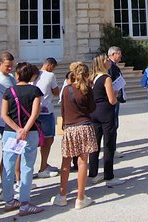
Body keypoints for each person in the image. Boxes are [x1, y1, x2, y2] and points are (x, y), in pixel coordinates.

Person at [0, 62, 45, 216]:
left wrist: (17, 129)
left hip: (11, 133)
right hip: (29, 132)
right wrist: (24, 129)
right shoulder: (35, 91)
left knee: (8, 166)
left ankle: (9, 200)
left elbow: (4, 115)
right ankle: (25, 203)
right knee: (27, 166)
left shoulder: (8, 91)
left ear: (17, 75)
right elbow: (35, 113)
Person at [52, 62, 99, 209]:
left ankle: (62, 195)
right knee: (82, 162)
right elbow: (92, 108)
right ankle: (80, 197)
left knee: (65, 162)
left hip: (70, 127)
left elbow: (63, 110)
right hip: (84, 125)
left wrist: (64, 126)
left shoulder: (66, 89)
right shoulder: (87, 90)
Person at [89, 49, 123, 185]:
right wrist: (116, 95)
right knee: (109, 143)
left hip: (94, 111)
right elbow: (112, 100)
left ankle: (93, 173)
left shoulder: (92, 77)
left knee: (95, 144)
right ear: (103, 62)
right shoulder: (106, 78)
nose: (109, 61)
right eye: (107, 60)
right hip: (105, 111)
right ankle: (109, 176)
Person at [33, 58, 61, 178]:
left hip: (33, 112)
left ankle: (43, 165)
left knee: (34, 140)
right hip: (46, 111)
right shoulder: (50, 75)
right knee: (48, 140)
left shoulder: (33, 75)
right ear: (50, 65)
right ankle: (43, 167)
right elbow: (55, 92)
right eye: (53, 67)